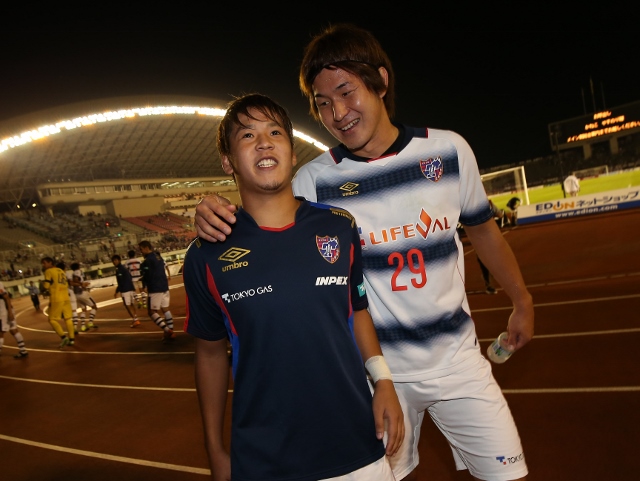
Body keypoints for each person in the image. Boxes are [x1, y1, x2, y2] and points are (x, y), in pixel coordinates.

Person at [194, 24, 534, 481]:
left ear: (380, 81)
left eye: (346, 92)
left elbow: (484, 231)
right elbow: (263, 205)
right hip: (373, 377)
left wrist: (521, 299)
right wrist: (210, 210)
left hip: (458, 361)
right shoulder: (314, 180)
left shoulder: (449, 150)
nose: (337, 113)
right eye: (323, 103)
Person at [184, 93, 403, 481]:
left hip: (357, 446)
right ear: (228, 161)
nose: (264, 143)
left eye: (275, 132)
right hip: (265, 460)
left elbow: (357, 311)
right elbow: (210, 355)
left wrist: (382, 379)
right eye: (247, 135)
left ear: (291, 150)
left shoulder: (339, 226)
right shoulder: (206, 254)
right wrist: (214, 450)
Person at [138, 240, 175, 341]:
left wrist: (144, 283)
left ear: (146, 248)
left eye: (141, 249)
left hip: (155, 288)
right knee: (165, 309)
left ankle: (168, 331)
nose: (141, 252)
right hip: (164, 286)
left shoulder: (147, 261)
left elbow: (148, 275)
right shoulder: (158, 257)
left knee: (151, 312)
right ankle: (171, 330)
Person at [41, 257, 75, 349]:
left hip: (56, 298)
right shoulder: (61, 271)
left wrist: (44, 288)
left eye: (44, 263)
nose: (43, 265)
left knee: (52, 320)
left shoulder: (48, 271)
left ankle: (63, 337)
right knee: (68, 318)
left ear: (50, 262)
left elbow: (46, 285)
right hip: (65, 297)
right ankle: (72, 339)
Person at [0, 283, 29, 358]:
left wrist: (9, 312)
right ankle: (23, 351)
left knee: (1, 332)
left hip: (3, 312)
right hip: (5, 311)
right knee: (13, 330)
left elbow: (6, 297)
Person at [111, 254, 140, 327]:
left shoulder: (119, 270)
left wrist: (117, 291)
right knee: (131, 304)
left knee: (127, 305)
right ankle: (136, 318)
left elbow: (121, 282)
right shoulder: (124, 268)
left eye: (115, 260)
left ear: (119, 260)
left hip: (125, 290)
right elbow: (129, 277)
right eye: (113, 261)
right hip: (130, 288)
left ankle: (135, 320)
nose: (114, 262)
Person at [70, 262, 98, 331]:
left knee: (83, 310)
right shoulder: (78, 271)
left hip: (76, 294)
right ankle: (90, 322)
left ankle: (83, 326)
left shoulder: (72, 273)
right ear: (78, 267)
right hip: (82, 292)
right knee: (94, 307)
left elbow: (74, 281)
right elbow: (76, 279)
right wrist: (82, 284)